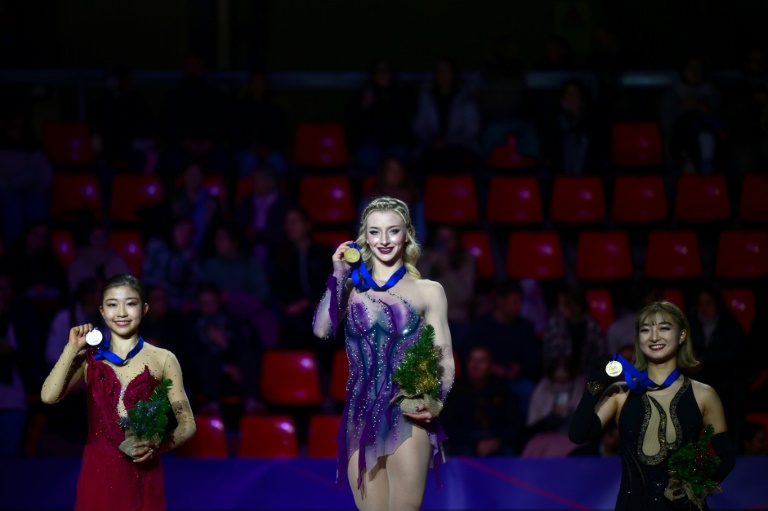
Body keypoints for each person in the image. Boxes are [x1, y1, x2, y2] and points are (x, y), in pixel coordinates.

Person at [313, 196, 454, 511]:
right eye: (375, 232)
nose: (384, 240)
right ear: (364, 236)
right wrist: (337, 274)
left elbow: (443, 354)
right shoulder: (350, 289)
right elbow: (322, 330)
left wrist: (436, 400)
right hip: (359, 416)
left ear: (407, 234)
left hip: (407, 410)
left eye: (393, 231)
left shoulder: (429, 291)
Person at [41, 273, 196, 511]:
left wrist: (158, 446)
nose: (121, 312)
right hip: (98, 475)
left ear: (144, 309)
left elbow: (187, 424)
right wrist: (71, 349)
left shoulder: (163, 358)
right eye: (112, 304)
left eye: (130, 303)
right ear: (102, 311)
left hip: (144, 475)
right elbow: (48, 396)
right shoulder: (89, 360)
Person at [569, 301, 735, 510]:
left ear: (682, 335)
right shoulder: (621, 392)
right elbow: (578, 434)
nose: (654, 337)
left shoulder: (704, 394)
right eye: (646, 330)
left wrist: (694, 486)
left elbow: (726, 457)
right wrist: (595, 383)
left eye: (664, 328)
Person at [441, 346, 519, 456]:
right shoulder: (456, 391)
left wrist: (496, 442)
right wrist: (475, 444)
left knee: (509, 453)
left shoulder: (503, 391)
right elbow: (449, 427)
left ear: (491, 366)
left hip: (496, 440)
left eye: (481, 361)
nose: (475, 365)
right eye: (471, 360)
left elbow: (513, 425)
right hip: (465, 442)